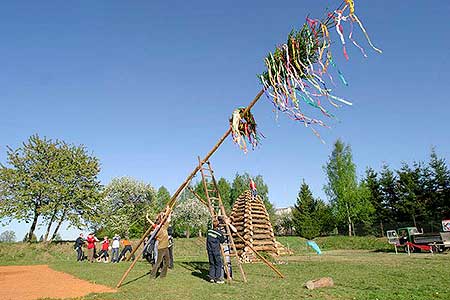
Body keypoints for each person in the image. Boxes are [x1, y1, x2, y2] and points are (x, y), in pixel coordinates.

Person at [150, 210, 171, 279]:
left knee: (167, 262)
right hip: (161, 248)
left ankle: (162, 275)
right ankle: (152, 275)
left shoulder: (164, 227)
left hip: (166, 247)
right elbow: (153, 232)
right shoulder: (156, 232)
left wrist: (169, 211)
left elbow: (168, 219)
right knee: (158, 262)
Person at [206, 219, 225, 284]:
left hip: (209, 250)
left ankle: (211, 278)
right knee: (218, 264)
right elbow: (222, 240)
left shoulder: (209, 231)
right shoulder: (219, 233)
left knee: (212, 264)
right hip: (216, 250)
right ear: (218, 225)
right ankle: (217, 279)